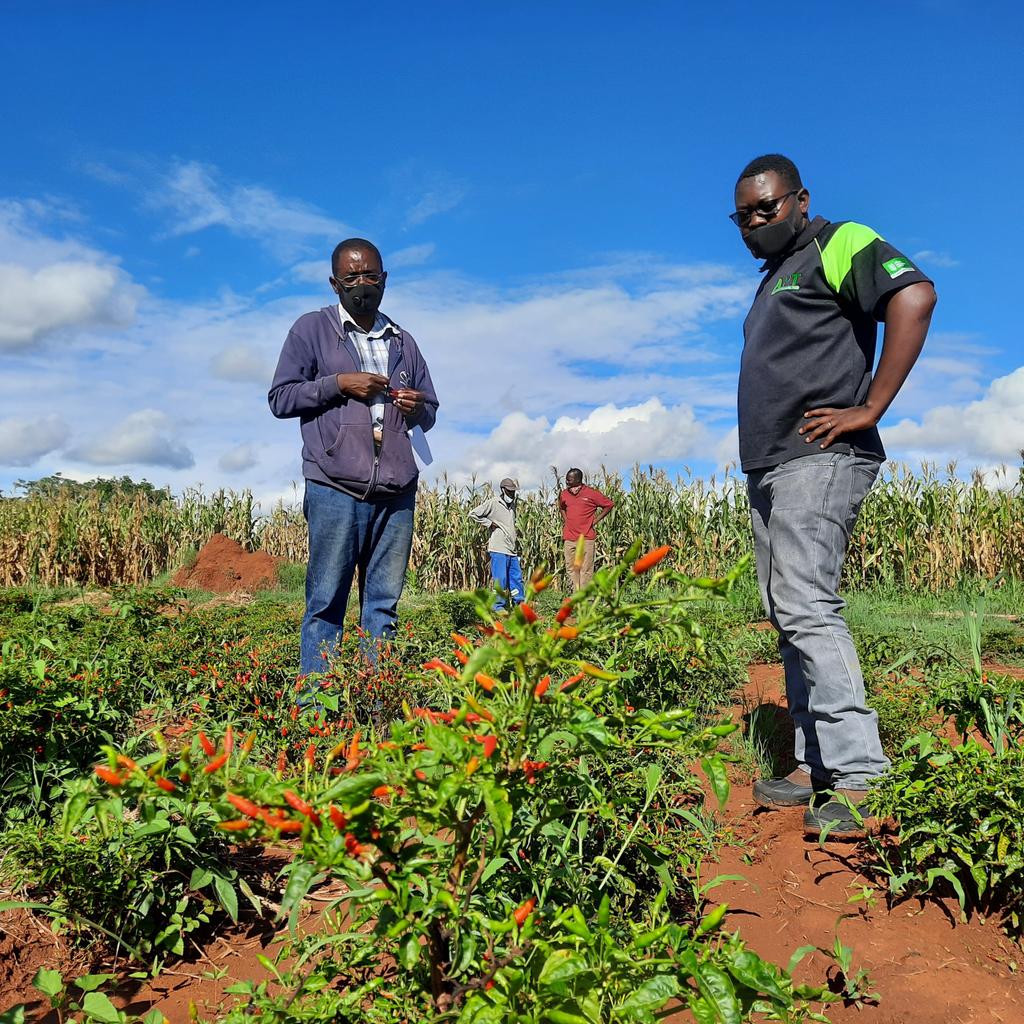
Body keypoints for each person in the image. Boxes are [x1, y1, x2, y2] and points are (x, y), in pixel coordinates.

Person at [730, 154, 936, 836]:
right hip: (770, 467)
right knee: (785, 610)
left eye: (768, 208)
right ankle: (814, 762)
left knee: (809, 606)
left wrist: (870, 405)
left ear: (799, 199)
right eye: (744, 216)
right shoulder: (774, 279)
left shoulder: (837, 242)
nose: (756, 222)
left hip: (819, 457)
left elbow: (915, 296)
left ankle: (859, 775)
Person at [268, 238, 439, 686]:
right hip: (334, 487)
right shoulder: (311, 330)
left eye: (371, 277)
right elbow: (281, 398)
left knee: (382, 605)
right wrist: (339, 383)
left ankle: (374, 707)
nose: (363, 285)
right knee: (326, 603)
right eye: (352, 278)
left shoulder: (403, 341)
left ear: (384, 280)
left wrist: (416, 406)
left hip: (397, 492)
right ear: (334, 283)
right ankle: (317, 713)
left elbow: (431, 413)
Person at [469, 478, 524, 610]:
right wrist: (489, 523)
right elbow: (473, 514)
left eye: (513, 491)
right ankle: (497, 606)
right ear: (503, 490)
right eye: (510, 491)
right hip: (499, 547)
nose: (512, 494)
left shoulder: (512, 505)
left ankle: (520, 603)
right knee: (501, 579)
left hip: (511, 548)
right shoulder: (494, 503)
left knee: (516, 577)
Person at [558, 468, 614, 590]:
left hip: (587, 537)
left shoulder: (591, 493)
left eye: (569, 479)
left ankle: (584, 599)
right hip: (569, 538)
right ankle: (575, 595)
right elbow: (561, 507)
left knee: (586, 569)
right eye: (566, 479)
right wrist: (566, 520)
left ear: (578, 479)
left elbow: (609, 505)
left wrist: (596, 520)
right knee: (571, 568)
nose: (566, 481)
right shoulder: (564, 494)